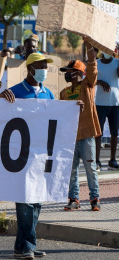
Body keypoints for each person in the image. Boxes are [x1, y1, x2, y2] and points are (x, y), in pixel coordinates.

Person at [0, 53, 54, 259]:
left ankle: (23, 246)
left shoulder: (48, 94)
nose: (44, 70)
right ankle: (27, 246)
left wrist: (74, 110)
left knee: (36, 200)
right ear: (30, 68)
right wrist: (0, 99)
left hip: (40, 156)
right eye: (40, 66)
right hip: (19, 156)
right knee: (25, 201)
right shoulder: (15, 92)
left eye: (45, 66)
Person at [60, 37, 101, 212]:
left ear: (77, 73)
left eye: (69, 71)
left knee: (91, 168)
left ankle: (94, 199)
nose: (66, 74)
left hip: (86, 135)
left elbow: (92, 68)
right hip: (70, 136)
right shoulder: (63, 92)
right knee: (71, 170)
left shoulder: (88, 87)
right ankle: (74, 199)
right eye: (66, 71)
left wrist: (90, 48)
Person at [95, 50, 119, 170]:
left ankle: (112, 160)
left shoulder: (117, 62)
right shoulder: (96, 63)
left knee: (114, 133)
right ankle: (97, 161)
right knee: (98, 133)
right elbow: (90, 80)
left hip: (115, 103)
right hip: (100, 103)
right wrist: (100, 82)